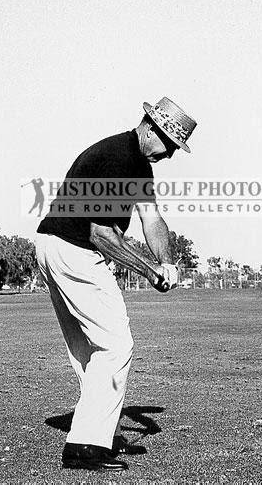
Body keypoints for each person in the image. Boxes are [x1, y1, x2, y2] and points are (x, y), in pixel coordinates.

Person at [35, 97, 197, 472]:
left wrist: (167, 261)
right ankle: (85, 446)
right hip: (74, 248)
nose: (171, 154)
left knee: (91, 350)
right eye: (171, 145)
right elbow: (102, 234)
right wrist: (150, 271)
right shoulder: (119, 160)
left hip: (56, 244)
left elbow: (151, 218)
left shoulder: (137, 163)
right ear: (152, 129)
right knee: (116, 343)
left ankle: (98, 434)